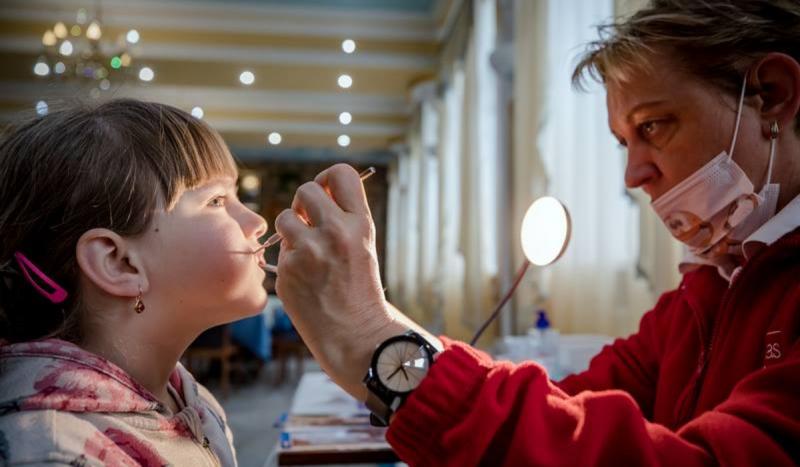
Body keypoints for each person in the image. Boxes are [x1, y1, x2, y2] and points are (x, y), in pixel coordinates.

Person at [273, 1, 800, 465]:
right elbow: (563, 406)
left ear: (772, 96)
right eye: (624, 143)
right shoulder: (704, 291)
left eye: (653, 126)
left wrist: (376, 341)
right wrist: (387, 339)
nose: (633, 175)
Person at [0, 99, 268, 466]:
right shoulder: (53, 450)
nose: (258, 221)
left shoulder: (194, 401)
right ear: (119, 263)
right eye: (217, 200)